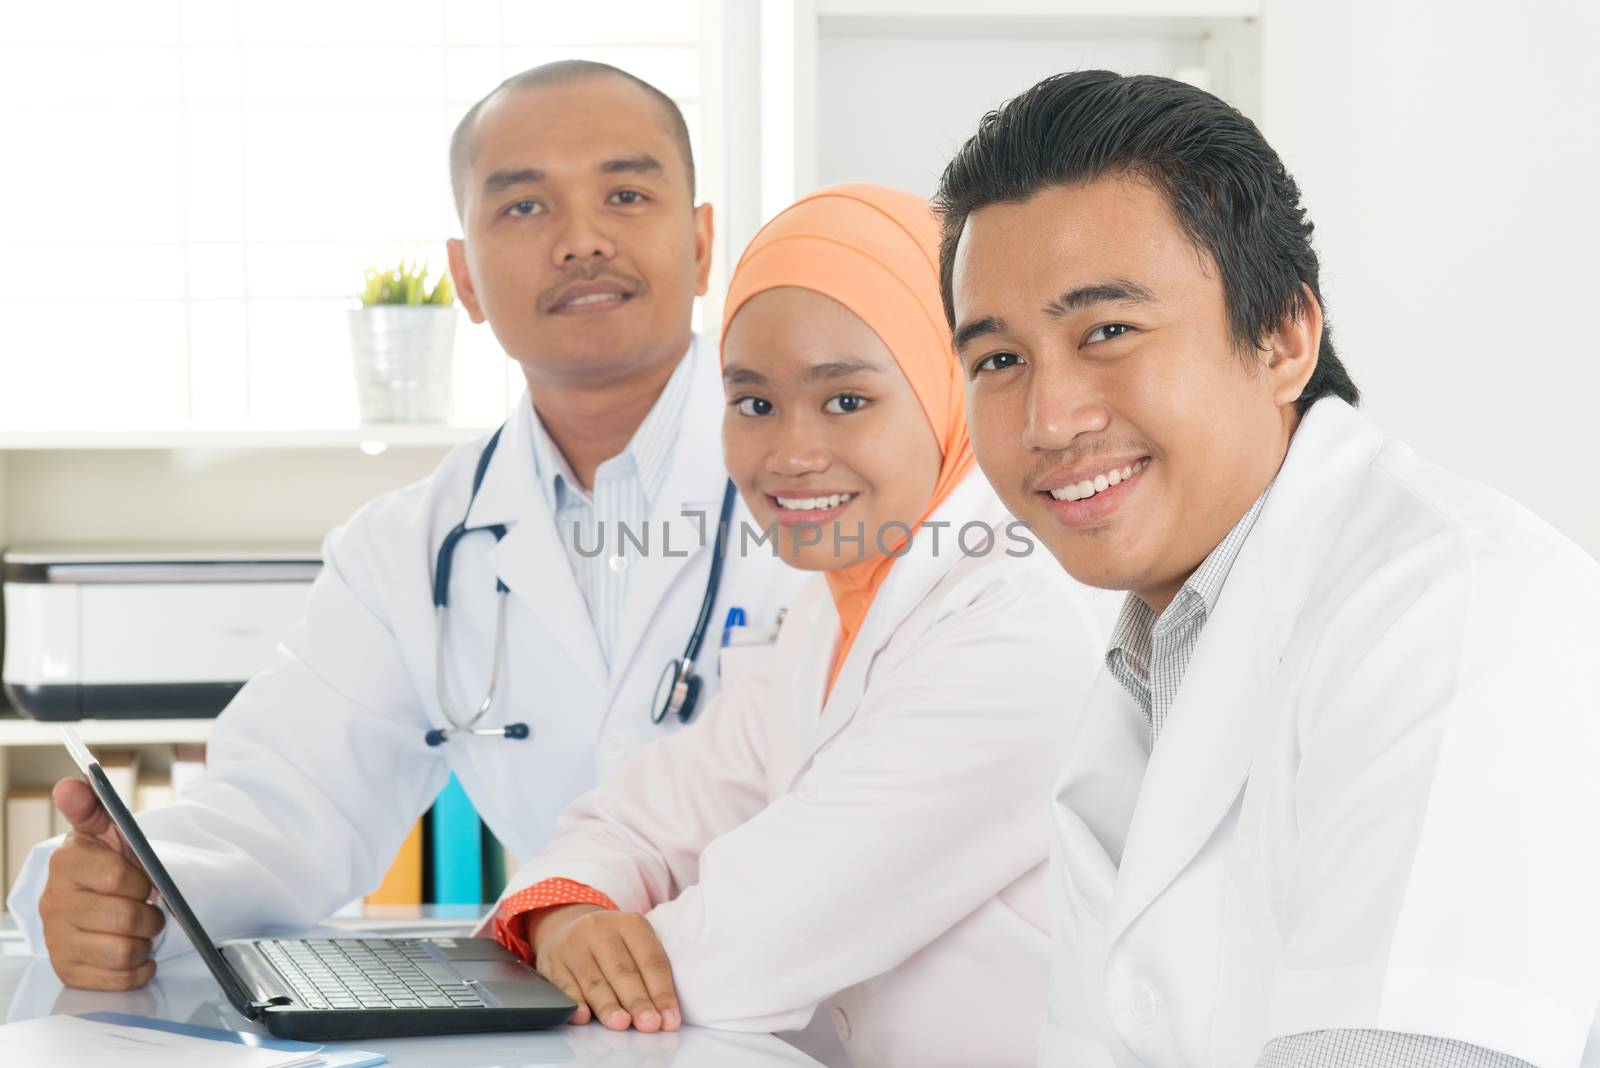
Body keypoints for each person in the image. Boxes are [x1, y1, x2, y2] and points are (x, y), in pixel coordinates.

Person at [9, 61, 803, 992]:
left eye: (626, 193)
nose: (582, 241)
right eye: (524, 208)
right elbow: (283, 802)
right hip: (584, 1026)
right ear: (463, 277)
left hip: (832, 1017)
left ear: (704, 244)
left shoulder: (850, 485)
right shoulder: (410, 549)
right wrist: (133, 890)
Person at [937, 69, 1600, 1067]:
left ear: (1284, 336)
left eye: (1106, 332)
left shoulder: (1457, 605)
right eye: (998, 360)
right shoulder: (1150, 657)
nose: (1048, 419)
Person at [474, 184, 1113, 1068]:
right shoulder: (827, 611)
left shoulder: (1023, 621)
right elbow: (641, 820)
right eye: (754, 403)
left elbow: (755, 938)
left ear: (951, 388)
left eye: (846, 400)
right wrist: (568, 912)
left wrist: (596, 957)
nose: (790, 453)